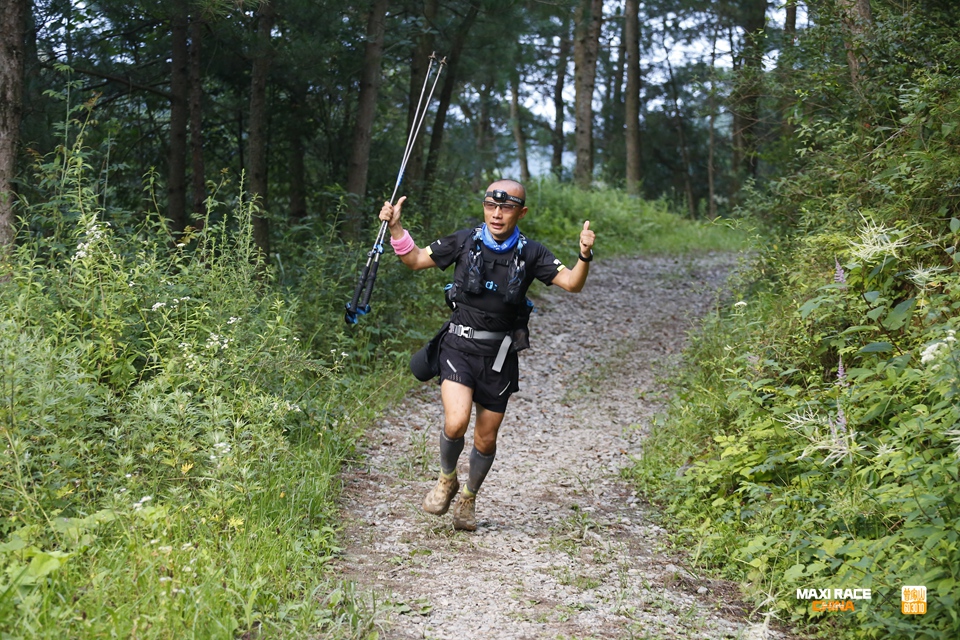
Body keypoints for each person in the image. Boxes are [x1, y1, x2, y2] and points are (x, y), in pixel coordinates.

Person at [379, 179, 595, 531]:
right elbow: (415, 260)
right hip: (458, 346)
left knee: (486, 438)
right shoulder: (464, 241)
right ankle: (446, 478)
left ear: (521, 212)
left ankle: (468, 497)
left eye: (506, 207)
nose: (497, 214)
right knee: (455, 422)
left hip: (499, 355)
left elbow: (572, 283)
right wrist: (396, 227)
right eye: (491, 206)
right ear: (484, 207)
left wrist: (584, 254)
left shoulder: (532, 253)